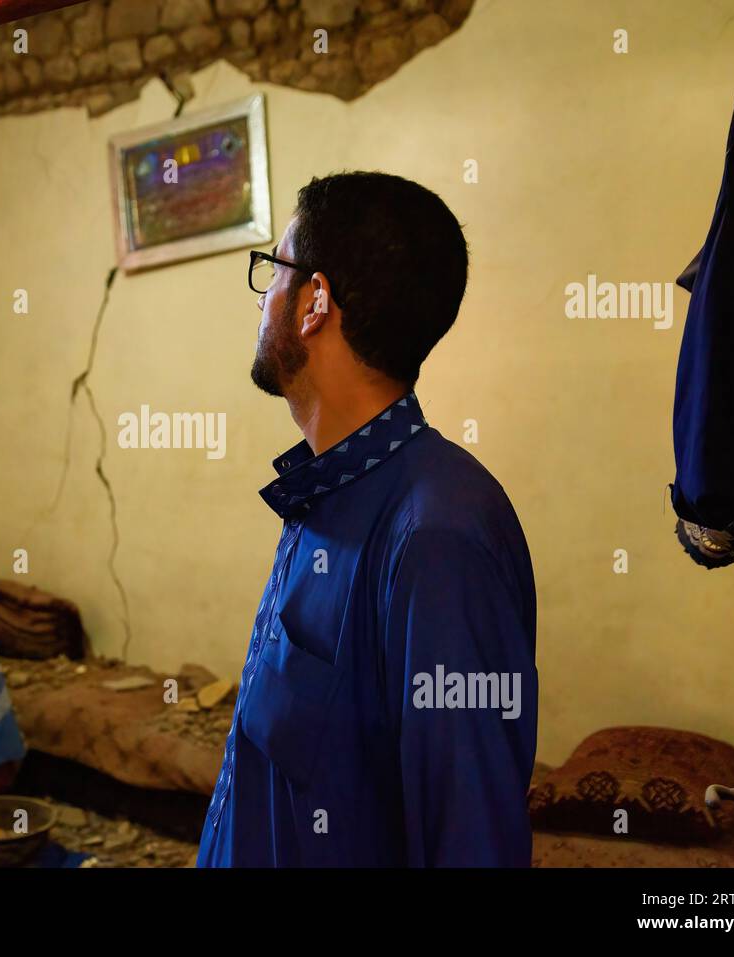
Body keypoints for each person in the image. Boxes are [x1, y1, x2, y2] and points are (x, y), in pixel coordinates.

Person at [197, 172, 538, 867]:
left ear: (314, 301)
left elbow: (471, 842)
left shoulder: (437, 537)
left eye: (274, 271)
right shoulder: (329, 491)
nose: (264, 299)